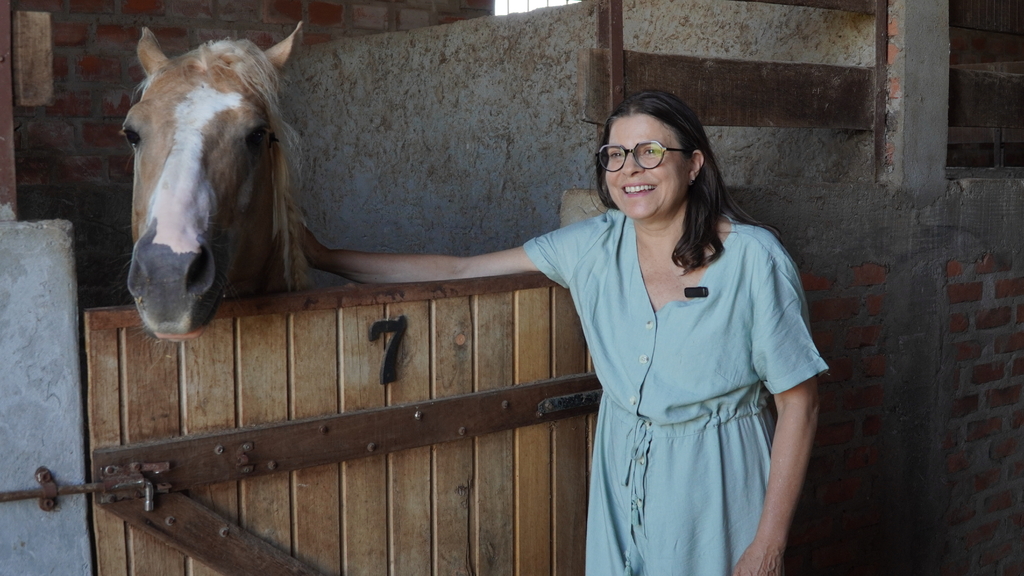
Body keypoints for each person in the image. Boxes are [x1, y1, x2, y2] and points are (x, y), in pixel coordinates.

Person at [304, 90, 826, 576]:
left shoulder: (755, 259)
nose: (630, 170)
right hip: (622, 477)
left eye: (649, 151)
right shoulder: (590, 248)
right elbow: (461, 271)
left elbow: (799, 404)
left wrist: (769, 542)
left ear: (693, 164)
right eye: (615, 154)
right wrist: (321, 256)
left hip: (718, 484)